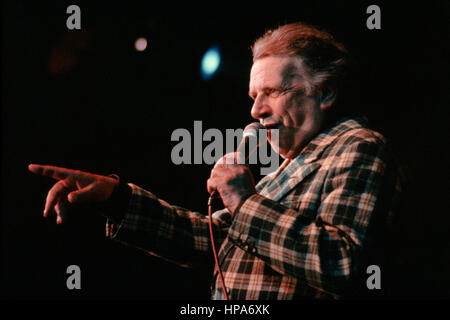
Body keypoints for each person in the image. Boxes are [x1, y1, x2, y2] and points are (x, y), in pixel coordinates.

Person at [29, 22, 403, 299]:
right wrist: (116, 197)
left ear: (325, 92)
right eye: (254, 95)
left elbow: (342, 264)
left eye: (272, 91)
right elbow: (207, 240)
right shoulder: (285, 169)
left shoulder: (358, 146)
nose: (256, 110)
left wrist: (244, 200)